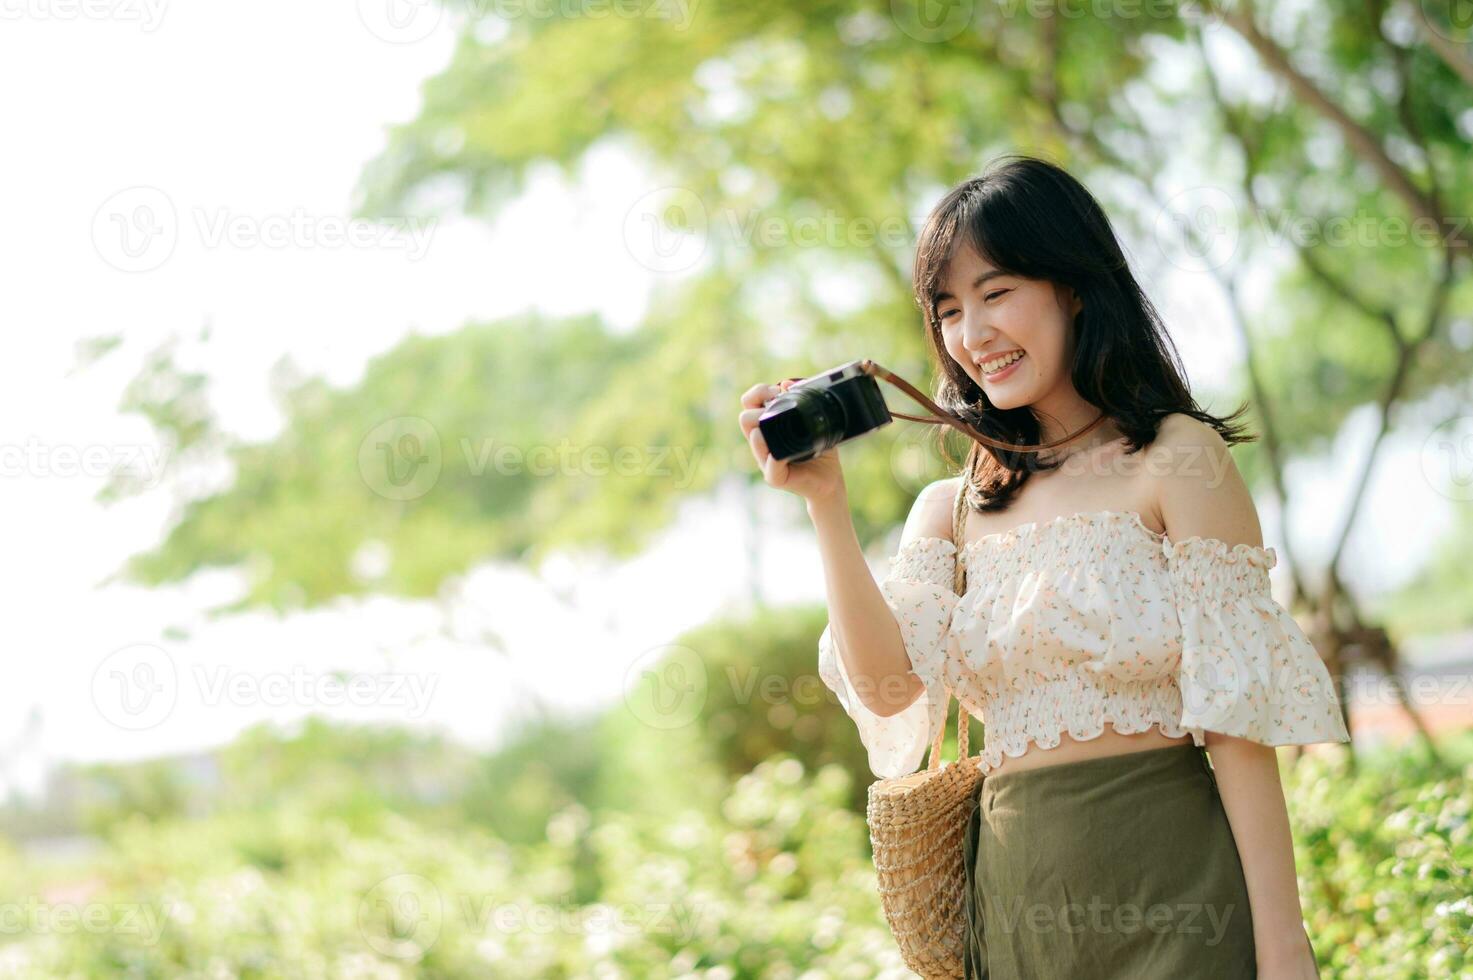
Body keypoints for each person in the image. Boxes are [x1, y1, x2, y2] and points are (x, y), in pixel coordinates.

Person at [735, 154, 1350, 979]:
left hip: (1179, 888)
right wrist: (825, 503)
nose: (971, 335)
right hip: (1017, 903)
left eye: (995, 294)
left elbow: (1237, 726)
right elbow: (887, 693)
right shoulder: (948, 510)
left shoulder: (1176, 459)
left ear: (1074, 286)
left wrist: (1284, 946)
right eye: (948, 310)